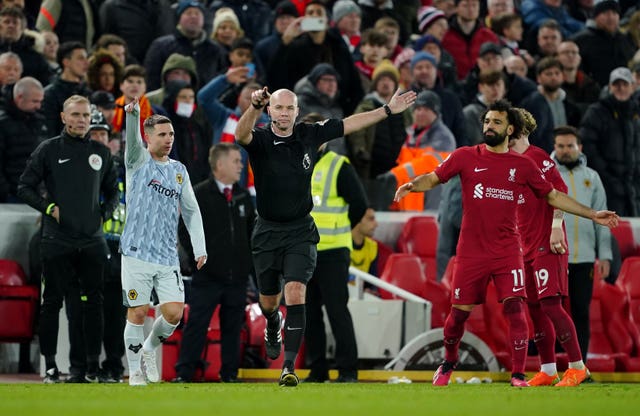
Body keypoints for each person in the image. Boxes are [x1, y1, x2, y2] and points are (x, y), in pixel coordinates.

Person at [394, 99, 618, 387]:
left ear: (510, 129)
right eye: (487, 122)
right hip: (473, 251)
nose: (489, 126)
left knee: (517, 308)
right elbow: (435, 177)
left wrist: (590, 215)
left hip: (509, 250)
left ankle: (520, 374)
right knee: (457, 317)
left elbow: (553, 195)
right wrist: (413, 184)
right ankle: (449, 361)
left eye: (496, 122)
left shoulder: (524, 165)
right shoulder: (465, 156)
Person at [235, 85, 416, 386]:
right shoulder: (262, 138)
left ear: (297, 112)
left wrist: (386, 110)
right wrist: (253, 107)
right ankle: (271, 323)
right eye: (278, 108)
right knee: (269, 302)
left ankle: (288, 367)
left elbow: (350, 123)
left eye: (289, 108)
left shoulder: (309, 134)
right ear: (270, 111)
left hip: (300, 231)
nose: (283, 113)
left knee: (296, 292)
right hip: (266, 230)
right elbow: (241, 135)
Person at [17, 95, 118, 383]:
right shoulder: (48, 150)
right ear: (63, 117)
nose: (81, 120)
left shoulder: (102, 152)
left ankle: (90, 367)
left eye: (85, 115)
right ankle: (50, 366)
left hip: (91, 240)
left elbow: (113, 191)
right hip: (56, 240)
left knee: (94, 305)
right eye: (75, 115)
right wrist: (49, 208)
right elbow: (24, 186)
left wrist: (103, 214)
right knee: (52, 303)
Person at [120, 97, 207, 386]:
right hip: (135, 252)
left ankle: (148, 350)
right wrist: (131, 115)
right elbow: (131, 139)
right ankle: (134, 373)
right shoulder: (137, 160)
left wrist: (200, 247)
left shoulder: (179, 171)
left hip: (166, 254)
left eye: (171, 134)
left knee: (173, 313)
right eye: (162, 134)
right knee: (138, 311)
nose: (169, 139)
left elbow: (192, 211)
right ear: (148, 137)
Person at [510, 108, 590, 387]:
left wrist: (557, 226)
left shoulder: (538, 158)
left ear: (516, 130)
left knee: (552, 305)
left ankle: (578, 367)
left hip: (547, 243)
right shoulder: (509, 163)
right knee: (534, 308)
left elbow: (559, 192)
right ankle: (547, 369)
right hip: (525, 247)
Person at [174, 142, 255, 383]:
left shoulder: (242, 196)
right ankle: (184, 373)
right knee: (197, 324)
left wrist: (248, 264)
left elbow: (253, 232)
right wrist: (198, 258)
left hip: (237, 277)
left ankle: (230, 374)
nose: (241, 165)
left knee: (233, 328)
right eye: (236, 161)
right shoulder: (198, 193)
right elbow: (184, 229)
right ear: (220, 164)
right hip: (207, 276)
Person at [305, 134, 368, 384]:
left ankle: (348, 370)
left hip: (333, 251)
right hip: (305, 250)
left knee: (336, 311)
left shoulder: (338, 165)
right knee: (309, 313)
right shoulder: (299, 162)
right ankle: (317, 369)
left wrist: (340, 227)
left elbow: (360, 203)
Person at [552, 125, 612, 363]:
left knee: (580, 313)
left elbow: (602, 218)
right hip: (553, 254)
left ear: (580, 147)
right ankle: (551, 366)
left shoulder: (592, 178)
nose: (565, 151)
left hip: (584, 257)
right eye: (560, 146)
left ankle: (580, 366)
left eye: (570, 146)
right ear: (554, 147)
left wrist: (605, 254)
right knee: (550, 312)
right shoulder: (544, 173)